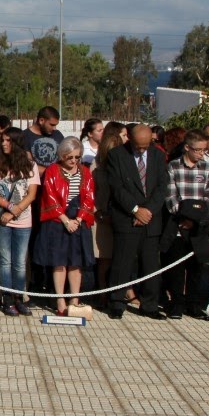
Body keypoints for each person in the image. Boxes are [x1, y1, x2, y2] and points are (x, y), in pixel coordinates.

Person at [104, 122, 169, 319]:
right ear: (130, 139)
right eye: (138, 147)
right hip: (126, 217)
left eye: (145, 146)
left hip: (151, 218)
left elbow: (162, 185)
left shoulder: (158, 155)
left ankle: (149, 304)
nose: (141, 150)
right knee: (122, 262)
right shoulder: (116, 156)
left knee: (150, 264)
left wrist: (148, 211)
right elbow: (116, 188)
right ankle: (116, 302)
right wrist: (135, 210)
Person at [36, 137, 96, 315]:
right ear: (62, 155)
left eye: (77, 157)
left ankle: (74, 299)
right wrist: (65, 220)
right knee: (59, 262)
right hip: (58, 221)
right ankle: (60, 299)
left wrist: (79, 219)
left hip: (78, 220)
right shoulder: (53, 170)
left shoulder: (85, 171)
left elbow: (89, 196)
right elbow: (50, 196)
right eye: (70, 157)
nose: (74, 161)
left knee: (76, 263)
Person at [161, 129, 209, 319]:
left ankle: (194, 304)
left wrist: (195, 219)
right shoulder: (173, 167)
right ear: (187, 147)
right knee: (177, 268)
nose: (202, 154)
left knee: (197, 266)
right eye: (198, 150)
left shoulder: (206, 168)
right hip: (178, 225)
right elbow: (170, 196)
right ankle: (176, 303)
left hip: (198, 226)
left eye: (204, 150)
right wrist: (183, 216)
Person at [0, 129, 38, 317]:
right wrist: (8, 207)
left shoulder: (30, 165)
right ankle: (6, 299)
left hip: (23, 221)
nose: (4, 143)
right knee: (5, 261)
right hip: (3, 220)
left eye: (8, 140)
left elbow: (31, 194)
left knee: (20, 262)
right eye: (3, 140)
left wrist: (16, 210)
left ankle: (19, 298)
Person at [92, 122, 128, 300]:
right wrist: (98, 212)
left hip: (122, 215)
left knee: (122, 257)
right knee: (104, 258)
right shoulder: (97, 165)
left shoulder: (126, 165)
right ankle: (102, 291)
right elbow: (91, 191)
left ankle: (123, 290)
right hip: (101, 215)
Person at [21, 106, 64, 171]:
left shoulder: (58, 135)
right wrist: (50, 173)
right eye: (52, 125)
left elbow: (65, 158)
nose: (54, 128)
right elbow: (28, 164)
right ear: (41, 120)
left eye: (56, 125)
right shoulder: (25, 136)